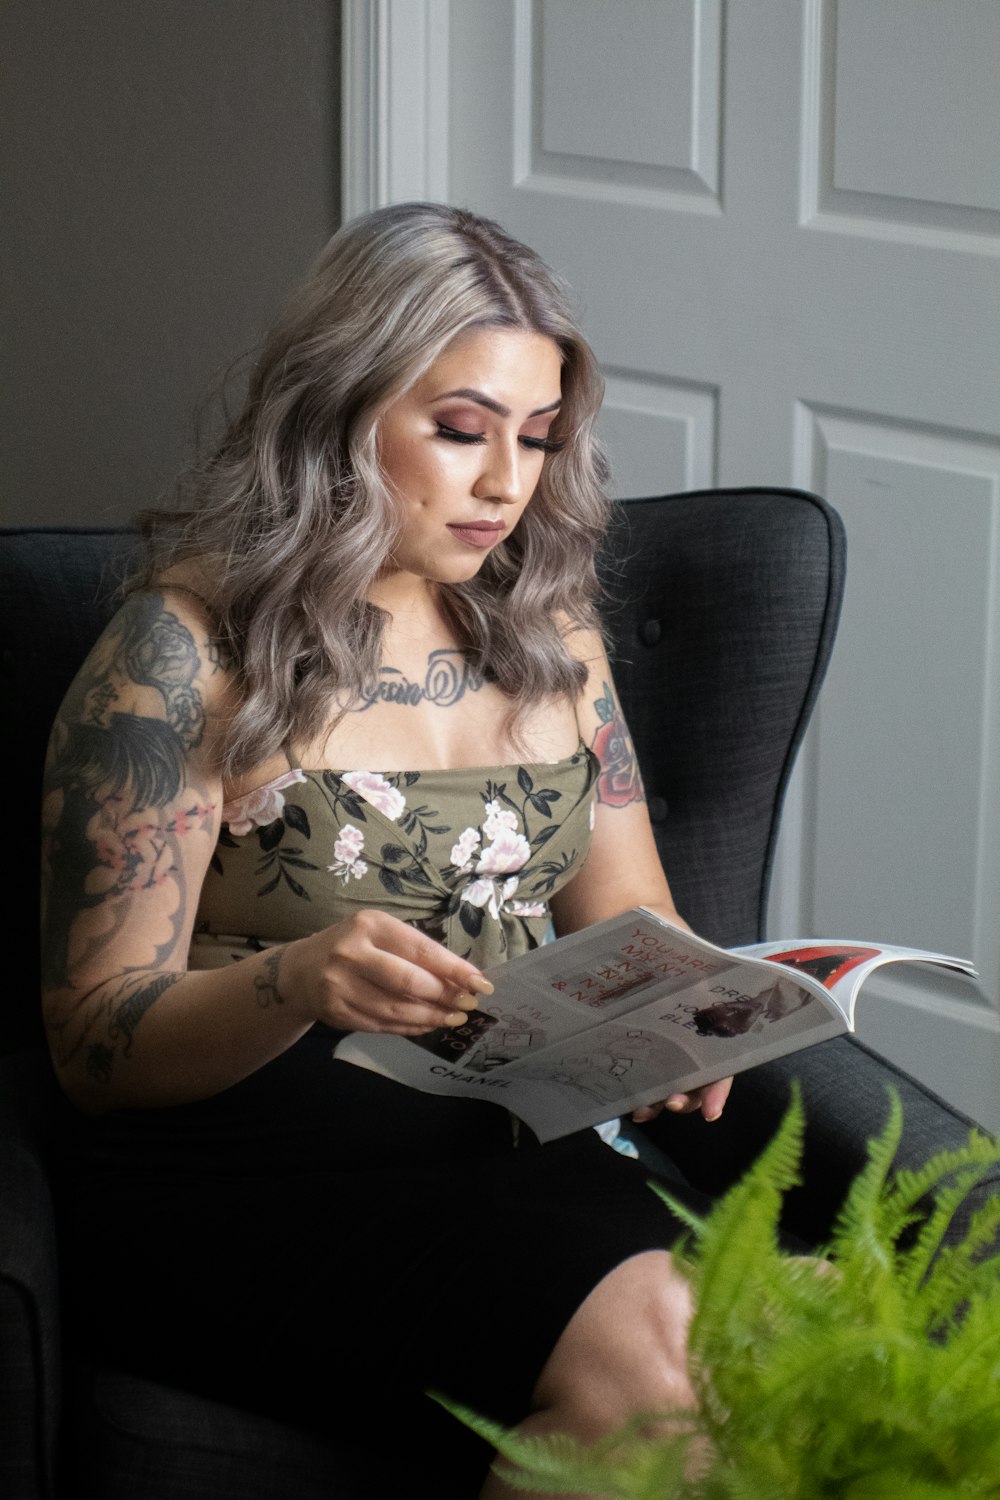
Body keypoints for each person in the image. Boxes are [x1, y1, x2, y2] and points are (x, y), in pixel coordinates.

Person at [41, 201, 732, 1498]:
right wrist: (294, 982)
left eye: (537, 438)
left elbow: (631, 907)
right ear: (339, 412)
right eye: (461, 430)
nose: (505, 482)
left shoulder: (549, 630)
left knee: (754, 1349)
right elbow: (92, 1047)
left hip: (498, 1124)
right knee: (654, 1365)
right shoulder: (181, 658)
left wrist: (696, 1006)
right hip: (243, 1159)